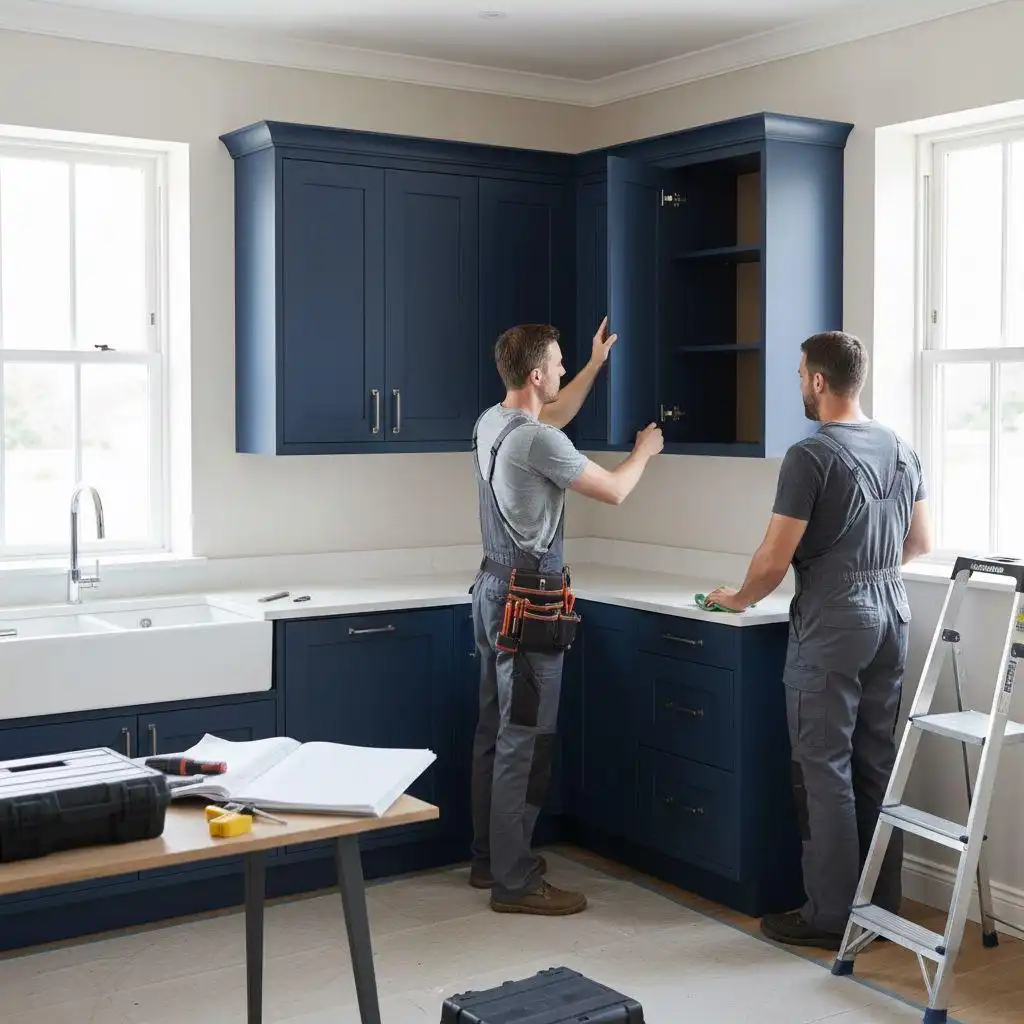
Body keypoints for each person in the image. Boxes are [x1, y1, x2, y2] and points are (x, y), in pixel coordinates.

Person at [706, 330, 933, 949]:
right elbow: (920, 544)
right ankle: (880, 908)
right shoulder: (903, 449)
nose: (800, 383)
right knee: (874, 762)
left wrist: (739, 597)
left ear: (818, 381)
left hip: (835, 618)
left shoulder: (811, 456)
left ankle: (830, 915)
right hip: (893, 611)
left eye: (800, 373)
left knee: (822, 767)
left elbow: (775, 558)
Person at [469, 317, 664, 916]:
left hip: (492, 590)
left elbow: (557, 413)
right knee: (525, 741)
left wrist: (593, 362)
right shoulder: (537, 441)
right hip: (530, 604)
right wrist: (643, 451)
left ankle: (491, 859)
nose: (559, 371)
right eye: (554, 364)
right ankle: (516, 881)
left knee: (495, 734)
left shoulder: (496, 422)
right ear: (534, 375)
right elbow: (614, 490)